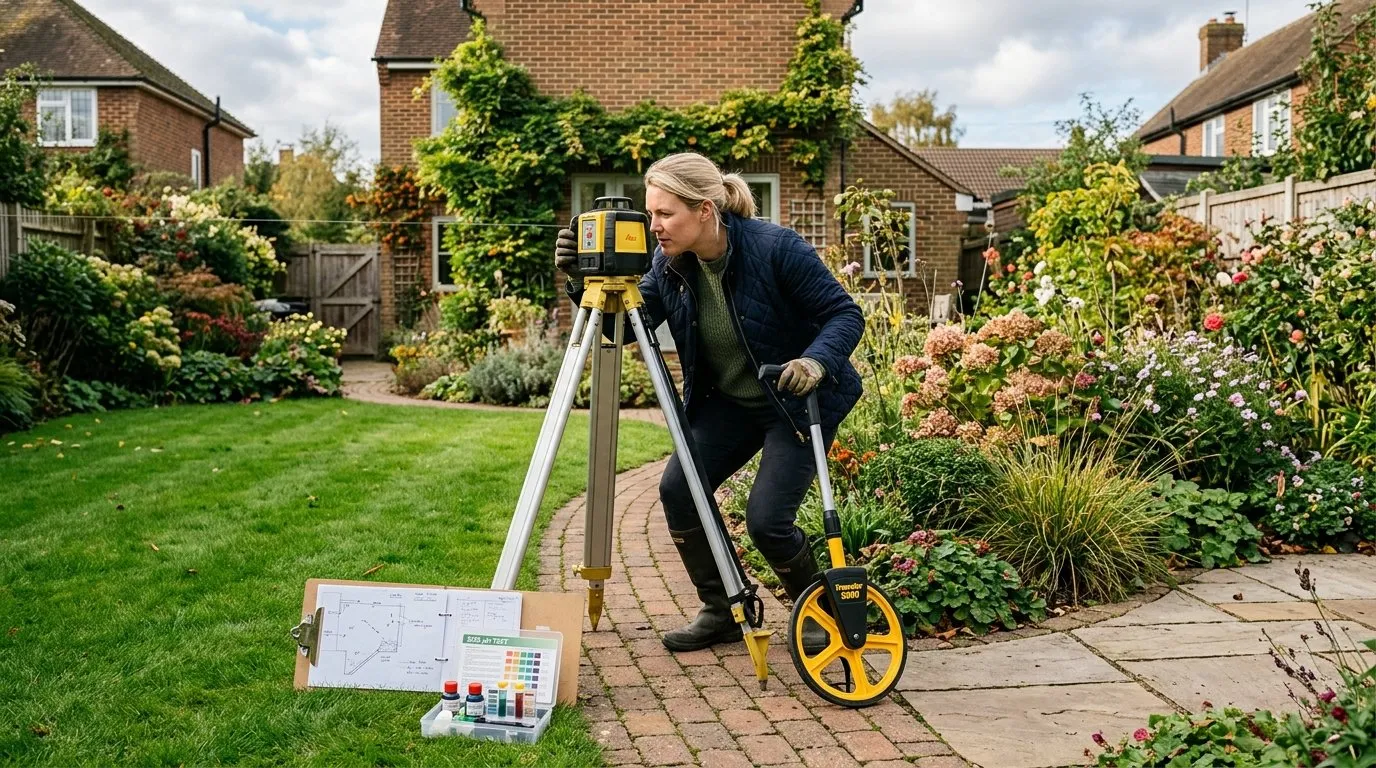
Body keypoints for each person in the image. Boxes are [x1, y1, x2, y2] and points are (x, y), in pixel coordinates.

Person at [555, 152, 864, 652]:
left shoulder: (775, 248)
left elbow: (844, 314)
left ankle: (822, 614)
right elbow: (620, 329)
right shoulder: (668, 263)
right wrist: (581, 279)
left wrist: (813, 363)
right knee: (678, 490)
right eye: (650, 213)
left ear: (704, 210)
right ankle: (722, 607)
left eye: (664, 214)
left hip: (794, 399)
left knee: (766, 521)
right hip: (729, 404)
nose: (653, 225)